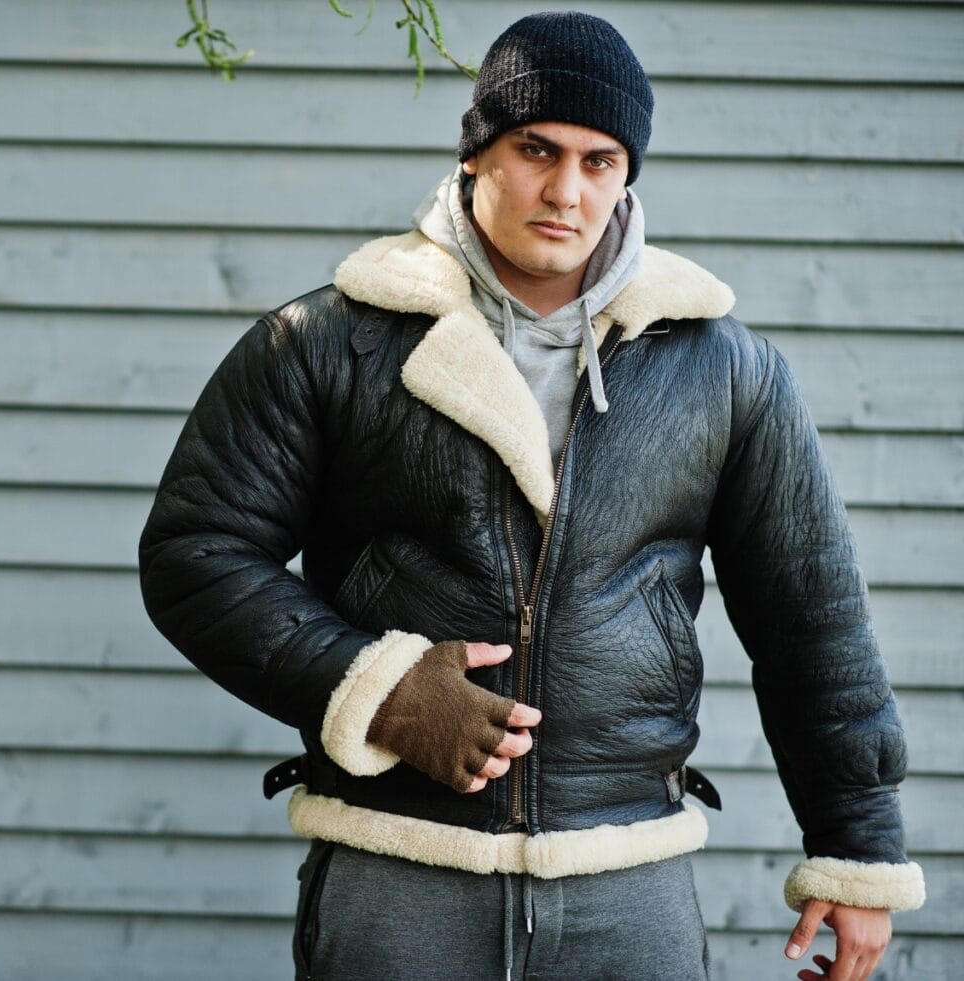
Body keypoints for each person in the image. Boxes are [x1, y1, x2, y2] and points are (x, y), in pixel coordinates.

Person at [139, 11, 925, 980]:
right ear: (476, 156)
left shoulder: (725, 368)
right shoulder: (326, 341)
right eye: (535, 150)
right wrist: (373, 688)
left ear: (627, 175)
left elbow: (810, 615)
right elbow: (196, 555)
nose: (565, 190)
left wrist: (856, 849)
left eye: (600, 161)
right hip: (397, 861)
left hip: (627, 875)